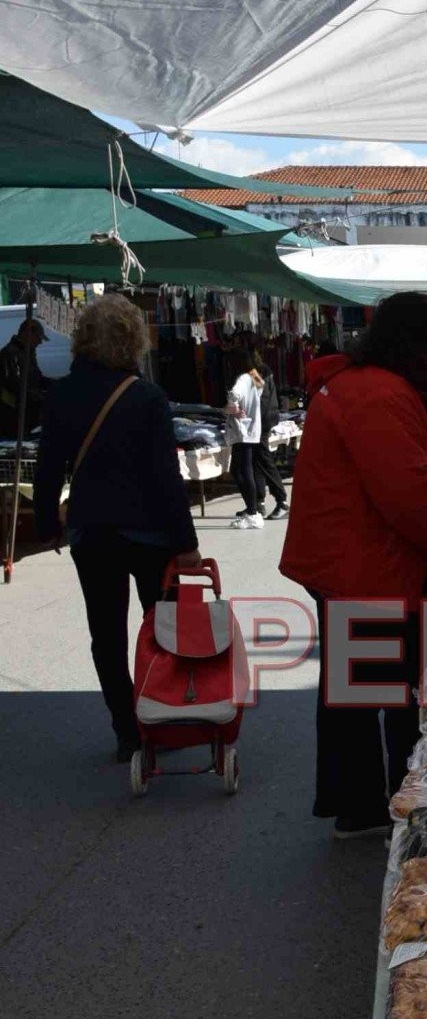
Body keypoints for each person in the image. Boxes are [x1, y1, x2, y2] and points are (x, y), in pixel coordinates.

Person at [281, 292, 427, 837]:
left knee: (373, 690)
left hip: (361, 560)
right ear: (412, 340)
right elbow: (408, 495)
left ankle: (376, 801)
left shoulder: (376, 387)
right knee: (369, 693)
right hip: (362, 566)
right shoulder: (378, 395)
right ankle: (371, 806)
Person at [32, 293, 201, 761]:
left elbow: (48, 469)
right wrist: (186, 542)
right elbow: (167, 477)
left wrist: (47, 525)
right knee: (162, 629)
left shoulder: (62, 394)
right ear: (133, 339)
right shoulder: (146, 396)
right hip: (149, 533)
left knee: (106, 635)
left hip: (93, 532)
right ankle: (162, 716)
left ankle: (128, 731)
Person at [223, 347, 265, 529]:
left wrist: (230, 409)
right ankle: (252, 509)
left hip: (242, 430)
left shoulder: (242, 378)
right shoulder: (255, 377)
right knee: (240, 469)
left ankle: (253, 512)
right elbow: (261, 389)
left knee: (242, 470)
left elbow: (234, 395)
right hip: (251, 428)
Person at [250, 342, 290, 519]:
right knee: (257, 460)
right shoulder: (262, 370)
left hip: (262, 422)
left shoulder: (257, 372)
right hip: (264, 419)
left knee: (264, 459)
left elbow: (261, 398)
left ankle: (281, 500)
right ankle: (260, 502)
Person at [0, 316, 45, 439]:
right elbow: (14, 385)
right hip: (14, 417)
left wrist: (58, 385)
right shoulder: (10, 354)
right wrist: (39, 398)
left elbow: (38, 378)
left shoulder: (27, 353)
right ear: (28, 334)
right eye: (39, 337)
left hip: (28, 413)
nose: (40, 342)